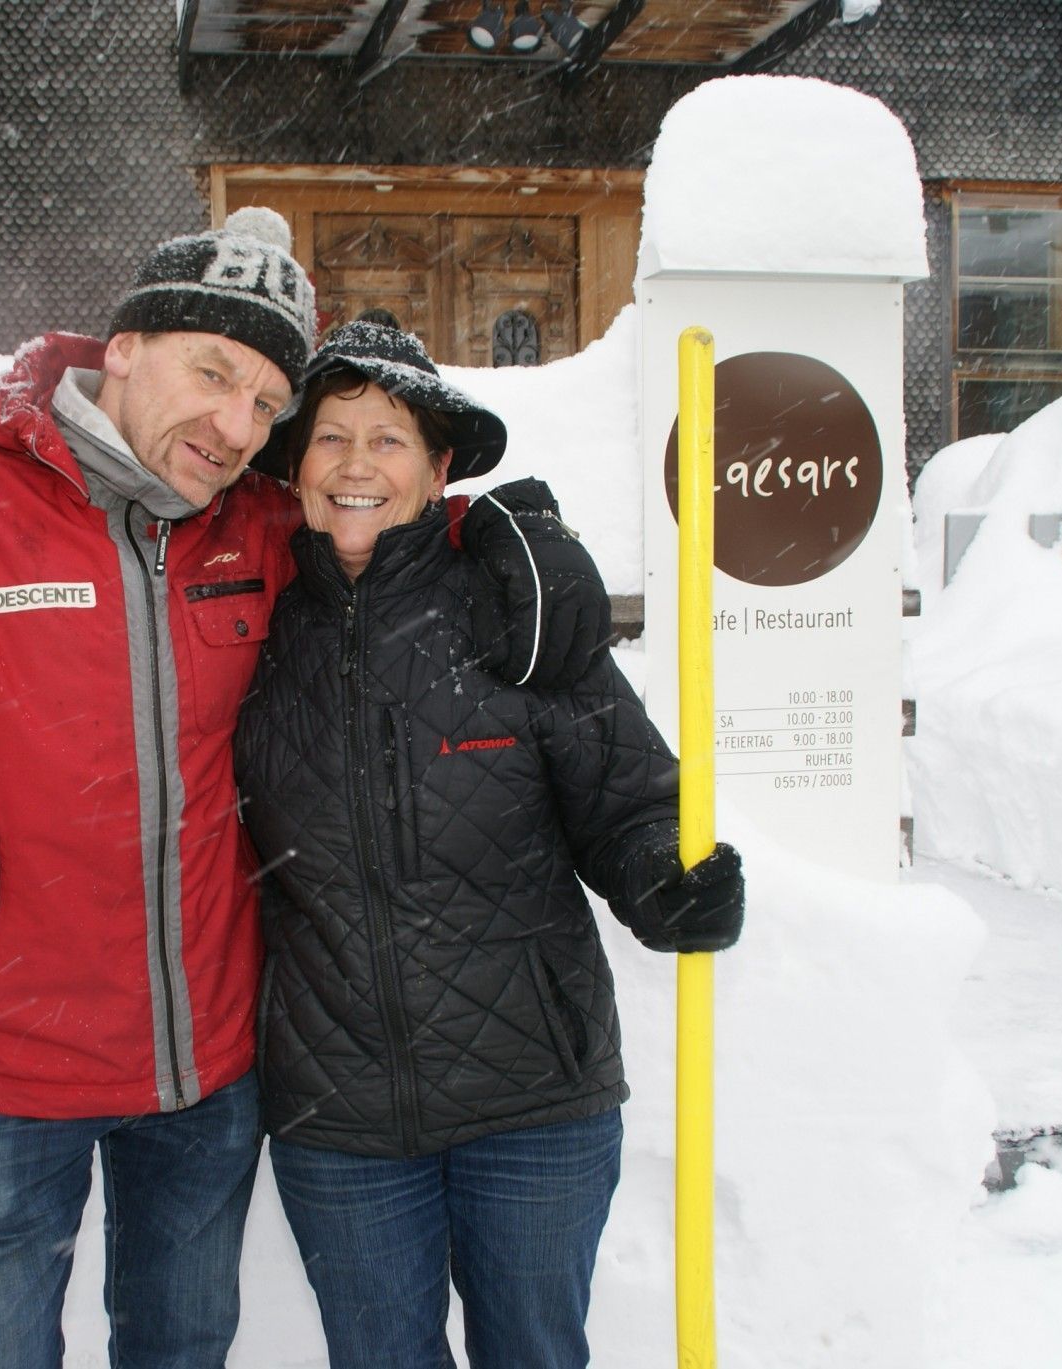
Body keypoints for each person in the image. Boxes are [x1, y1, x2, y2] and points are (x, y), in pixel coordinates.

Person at [0, 209, 612, 1369]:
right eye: (212, 374)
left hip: (204, 1069)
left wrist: (508, 534)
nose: (235, 426)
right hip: (1, 1063)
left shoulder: (254, 524)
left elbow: (376, 521)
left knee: (181, 1348)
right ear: (121, 347)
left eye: (266, 403)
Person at [232, 322, 746, 1369]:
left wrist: (667, 876)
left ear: (438, 470)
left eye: (389, 439)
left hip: (533, 1100)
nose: (357, 464)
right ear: (294, 467)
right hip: (340, 1110)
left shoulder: (517, 612)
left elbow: (628, 803)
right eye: (331, 438)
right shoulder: (253, 629)